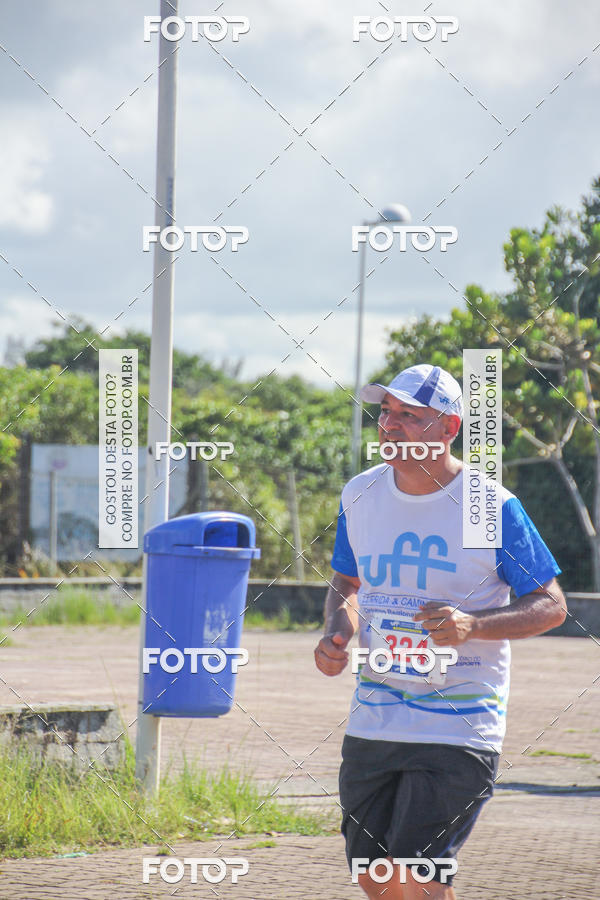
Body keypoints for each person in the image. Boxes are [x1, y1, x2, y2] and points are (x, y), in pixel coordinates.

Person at [314, 364, 567, 900]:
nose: (390, 425)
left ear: (449, 428)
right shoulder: (360, 493)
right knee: (374, 874)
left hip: (458, 723)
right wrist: (338, 630)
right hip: (375, 719)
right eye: (385, 412)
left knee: (416, 871)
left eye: (410, 415)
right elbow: (346, 581)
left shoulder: (488, 505)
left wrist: (474, 625)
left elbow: (550, 606)